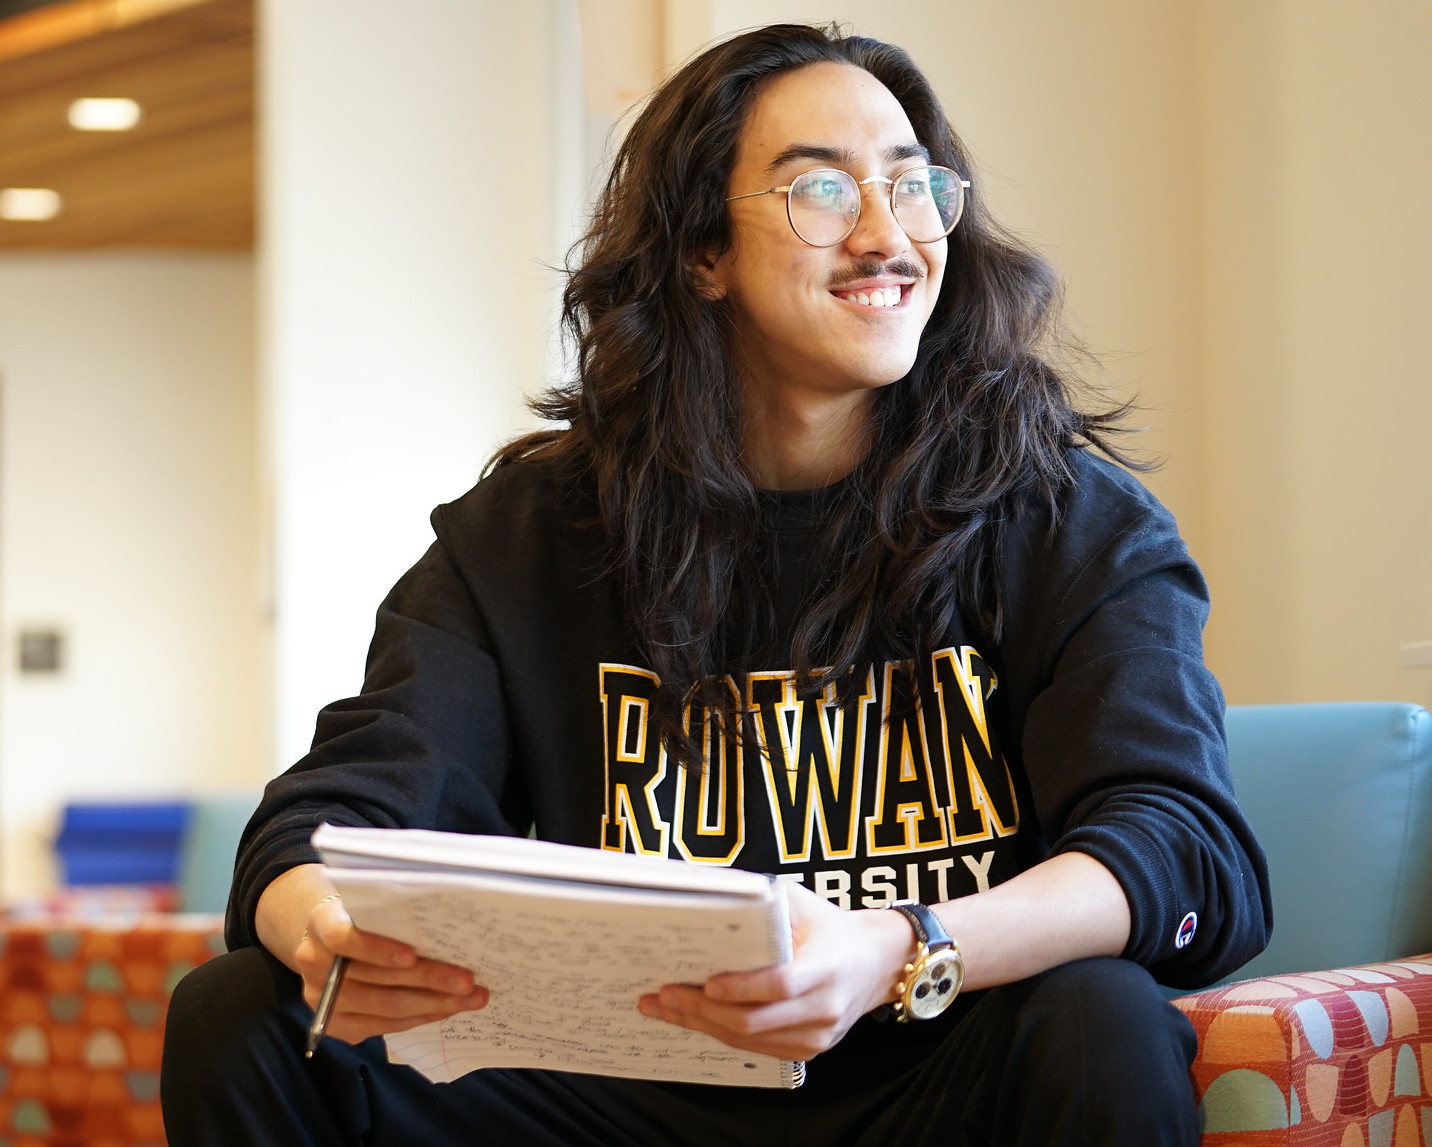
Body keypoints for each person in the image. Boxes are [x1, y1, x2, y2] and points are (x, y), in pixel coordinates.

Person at [161, 22, 1271, 1146]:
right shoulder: (533, 535)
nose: (888, 235)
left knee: (1100, 1018)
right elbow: (324, 817)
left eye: (912, 185)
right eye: (823, 193)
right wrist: (323, 926)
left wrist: (898, 944)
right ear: (702, 253)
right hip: (613, 1096)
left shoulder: (1067, 518)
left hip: (940, 1072)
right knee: (244, 1014)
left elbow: (1186, 854)